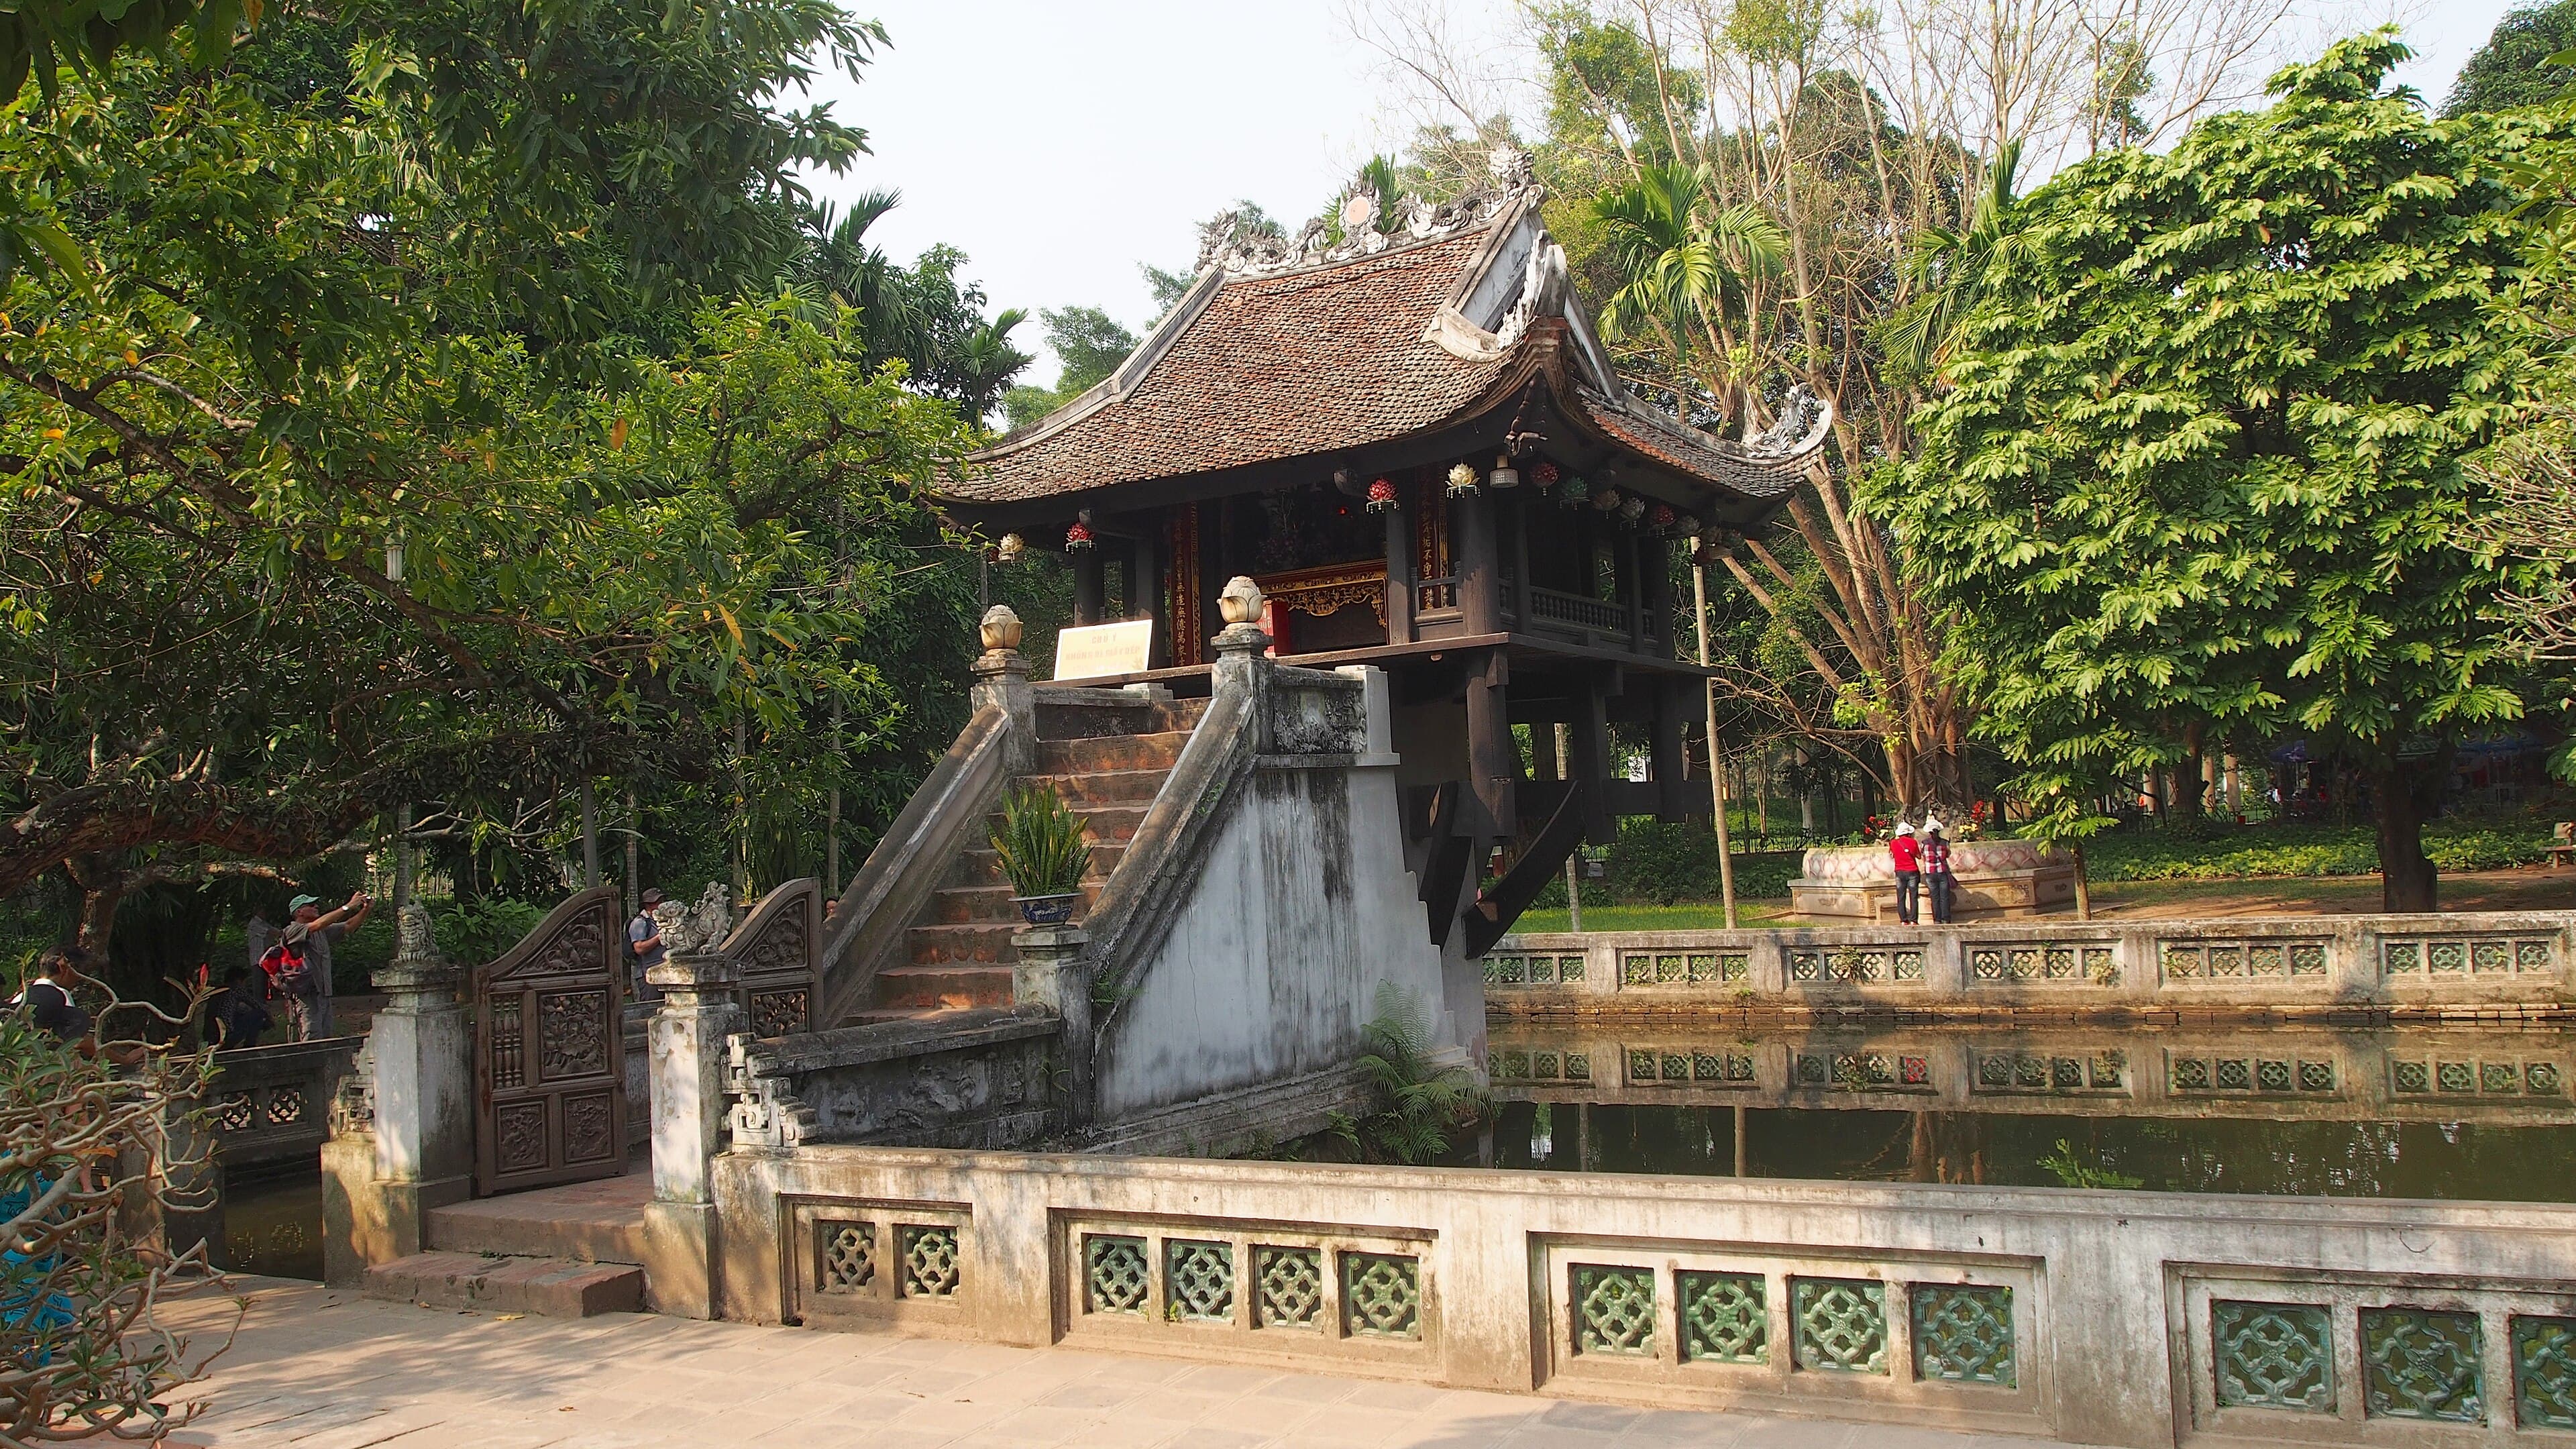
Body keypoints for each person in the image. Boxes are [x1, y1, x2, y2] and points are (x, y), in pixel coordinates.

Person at [277, 890, 370, 1040]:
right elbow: (318, 924)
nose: (316, 907)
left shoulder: (321, 931)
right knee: (312, 1037)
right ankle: (310, 1064)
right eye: (311, 905)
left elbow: (348, 926)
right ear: (299, 911)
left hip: (323, 992)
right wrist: (348, 906)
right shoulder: (293, 930)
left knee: (326, 1037)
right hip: (306, 995)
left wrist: (366, 909)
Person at [18, 947, 92, 1044]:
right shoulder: (60, 993)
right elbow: (76, 1042)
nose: (79, 978)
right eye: (80, 973)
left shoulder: (21, 995)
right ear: (65, 968)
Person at [207, 965, 272, 1049]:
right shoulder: (235, 989)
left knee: (243, 1013)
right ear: (239, 980)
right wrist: (270, 1019)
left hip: (211, 1037)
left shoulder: (216, 992)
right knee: (259, 1014)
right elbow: (257, 1006)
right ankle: (250, 1047)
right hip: (225, 1036)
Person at [628, 888, 666, 1000]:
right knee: (651, 1009)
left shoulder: (660, 921)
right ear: (649, 905)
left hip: (664, 972)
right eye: (659, 902)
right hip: (648, 975)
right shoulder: (640, 923)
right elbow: (639, 948)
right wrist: (659, 937)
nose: (662, 905)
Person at [1922, 816, 1957, 924]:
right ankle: (1946, 918)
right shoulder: (1945, 842)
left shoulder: (1924, 843)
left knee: (1935, 896)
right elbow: (1948, 855)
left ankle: (1937, 919)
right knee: (1944, 896)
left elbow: (1924, 856)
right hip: (1942, 871)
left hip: (1930, 872)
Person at [1886, 821, 1922, 925]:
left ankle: (1903, 920)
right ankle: (1914, 920)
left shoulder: (1893, 843)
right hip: (1912, 871)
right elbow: (1919, 856)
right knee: (1913, 896)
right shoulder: (1913, 842)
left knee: (1901, 896)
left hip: (1899, 872)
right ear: (1909, 833)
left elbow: (1891, 855)